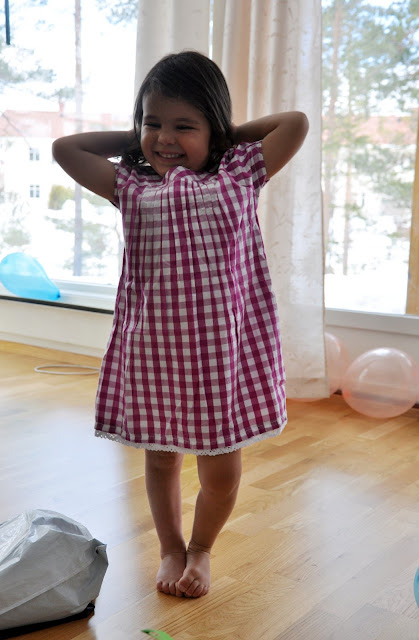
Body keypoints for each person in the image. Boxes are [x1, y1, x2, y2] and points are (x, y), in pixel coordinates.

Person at [52, 50, 309, 600]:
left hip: (224, 355)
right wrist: (137, 140)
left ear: (213, 129)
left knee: (221, 474)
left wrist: (226, 135)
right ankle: (171, 547)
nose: (165, 138)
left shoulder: (239, 174)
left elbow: (294, 123)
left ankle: (202, 548)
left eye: (183, 126)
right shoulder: (131, 185)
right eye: (153, 123)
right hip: (155, 352)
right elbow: (65, 148)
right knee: (161, 459)